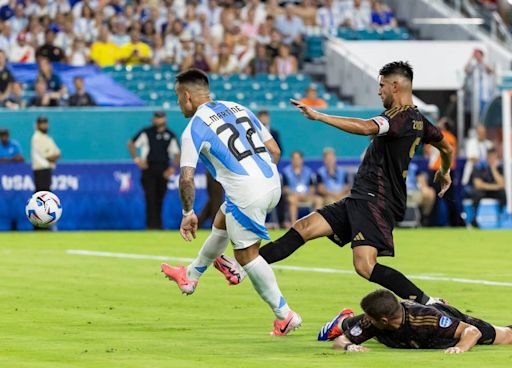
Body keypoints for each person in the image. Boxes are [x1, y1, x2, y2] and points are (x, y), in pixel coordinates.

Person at [221, 61, 453, 306]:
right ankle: (242, 266)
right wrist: (445, 171)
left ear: (395, 86)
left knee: (365, 266)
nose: (379, 91)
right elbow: (446, 147)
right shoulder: (420, 121)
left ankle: (428, 302)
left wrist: (319, 116)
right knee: (305, 227)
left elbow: (366, 127)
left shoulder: (397, 118)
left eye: (382, 85)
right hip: (362, 197)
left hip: (377, 201)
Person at [160, 68, 302, 336]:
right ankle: (190, 276)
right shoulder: (238, 107)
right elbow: (275, 150)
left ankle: (285, 315)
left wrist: (188, 212)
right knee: (223, 218)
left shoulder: (193, 129)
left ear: (187, 96)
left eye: (178, 97)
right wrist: (260, 181)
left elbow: (186, 178)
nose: (179, 104)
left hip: (249, 192)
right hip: (273, 183)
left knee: (247, 256)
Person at [317, 289, 512, 353]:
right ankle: (344, 320)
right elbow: (340, 342)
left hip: (447, 320)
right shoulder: (373, 321)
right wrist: (349, 347)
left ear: (384, 320)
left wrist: (460, 348)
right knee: (357, 325)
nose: (366, 320)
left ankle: (345, 320)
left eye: (369, 316)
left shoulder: (427, 319)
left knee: (506, 336)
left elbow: (472, 332)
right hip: (404, 335)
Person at [128, 111, 180, 230]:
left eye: (160, 118)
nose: (158, 120)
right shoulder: (147, 132)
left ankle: (159, 224)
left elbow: (177, 153)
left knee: (160, 198)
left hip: (163, 168)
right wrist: (137, 159)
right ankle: (150, 225)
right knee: (150, 197)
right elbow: (131, 143)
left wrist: (172, 168)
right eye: (157, 118)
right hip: (149, 168)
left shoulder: (170, 134)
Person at [424, 117, 464, 227]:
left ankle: (432, 223)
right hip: (449, 169)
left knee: (435, 198)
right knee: (450, 198)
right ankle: (456, 223)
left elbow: (427, 151)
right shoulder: (452, 137)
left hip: (437, 170)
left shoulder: (437, 136)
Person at [468, 148, 506, 228]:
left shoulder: (499, 167)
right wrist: (495, 187)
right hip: (482, 191)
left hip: (491, 191)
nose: (492, 160)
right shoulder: (479, 166)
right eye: (491, 157)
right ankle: (474, 218)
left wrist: (493, 169)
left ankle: (502, 216)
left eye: (494, 158)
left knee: (502, 193)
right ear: (487, 157)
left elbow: (502, 184)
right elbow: (478, 185)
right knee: (477, 193)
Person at [282, 150, 322, 224]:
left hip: (306, 195)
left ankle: (315, 224)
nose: (296, 161)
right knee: (292, 200)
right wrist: (294, 193)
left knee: (318, 200)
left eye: (298, 158)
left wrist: (307, 194)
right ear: (291, 160)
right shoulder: (286, 172)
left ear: (302, 160)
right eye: (294, 159)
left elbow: (312, 187)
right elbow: (285, 188)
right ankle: (293, 225)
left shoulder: (308, 171)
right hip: (293, 195)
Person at [31, 116, 61, 192]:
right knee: (42, 195)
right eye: (42, 123)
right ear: (37, 125)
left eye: (46, 123)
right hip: (41, 171)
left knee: (46, 195)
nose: (44, 125)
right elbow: (49, 156)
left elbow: (58, 153)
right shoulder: (37, 137)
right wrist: (54, 157)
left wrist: (55, 156)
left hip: (47, 170)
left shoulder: (47, 137)